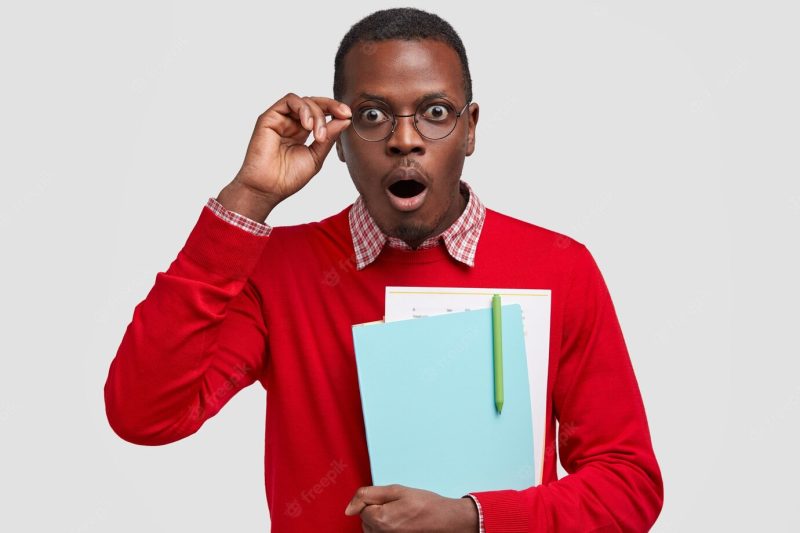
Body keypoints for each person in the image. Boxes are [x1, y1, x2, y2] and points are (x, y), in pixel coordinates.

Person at [104, 7, 663, 532]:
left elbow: (628, 486)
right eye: (372, 116)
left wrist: (472, 519)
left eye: (435, 113)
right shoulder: (279, 271)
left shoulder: (560, 268)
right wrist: (248, 197)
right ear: (340, 140)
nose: (404, 139)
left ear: (470, 130)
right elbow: (145, 415)